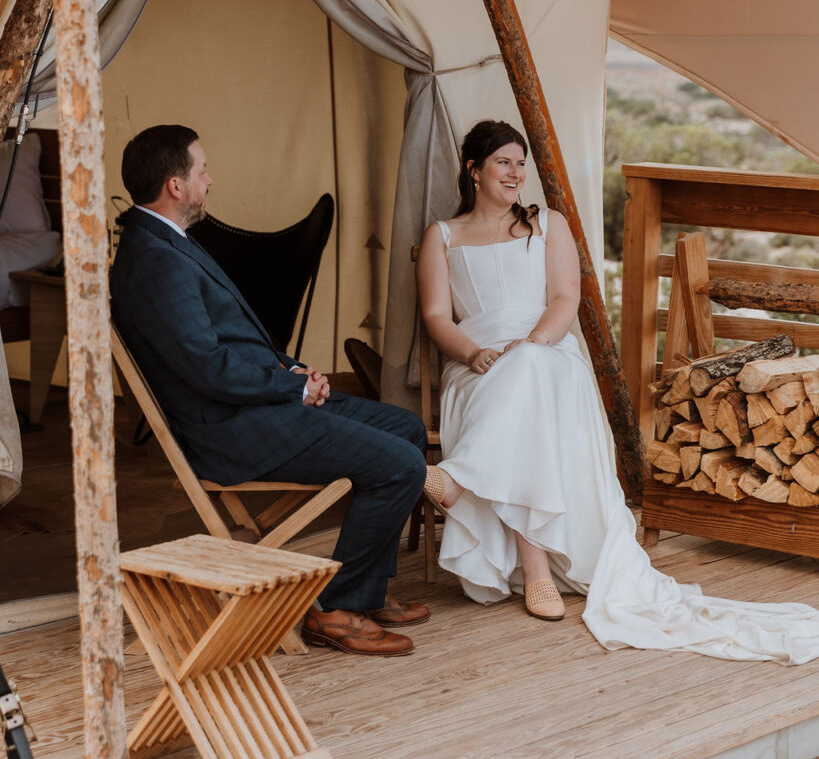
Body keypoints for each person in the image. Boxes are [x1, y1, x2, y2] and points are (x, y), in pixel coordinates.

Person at [416, 118, 819, 662]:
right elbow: (437, 316)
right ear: (474, 169)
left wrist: (530, 346)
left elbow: (564, 300)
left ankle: (467, 489)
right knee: (521, 390)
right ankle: (532, 566)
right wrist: (473, 353)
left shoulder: (546, 225)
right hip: (479, 366)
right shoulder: (443, 235)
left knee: (533, 373)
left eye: (520, 163)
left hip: (549, 354)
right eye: (503, 163)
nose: (516, 174)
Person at [111, 124, 429, 657]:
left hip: (259, 406)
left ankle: (366, 589)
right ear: (174, 185)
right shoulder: (153, 261)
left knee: (407, 427)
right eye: (201, 170)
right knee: (400, 464)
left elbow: (236, 337)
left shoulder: (168, 241)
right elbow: (207, 367)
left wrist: (298, 371)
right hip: (234, 431)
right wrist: (290, 391)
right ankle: (335, 608)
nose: (210, 181)